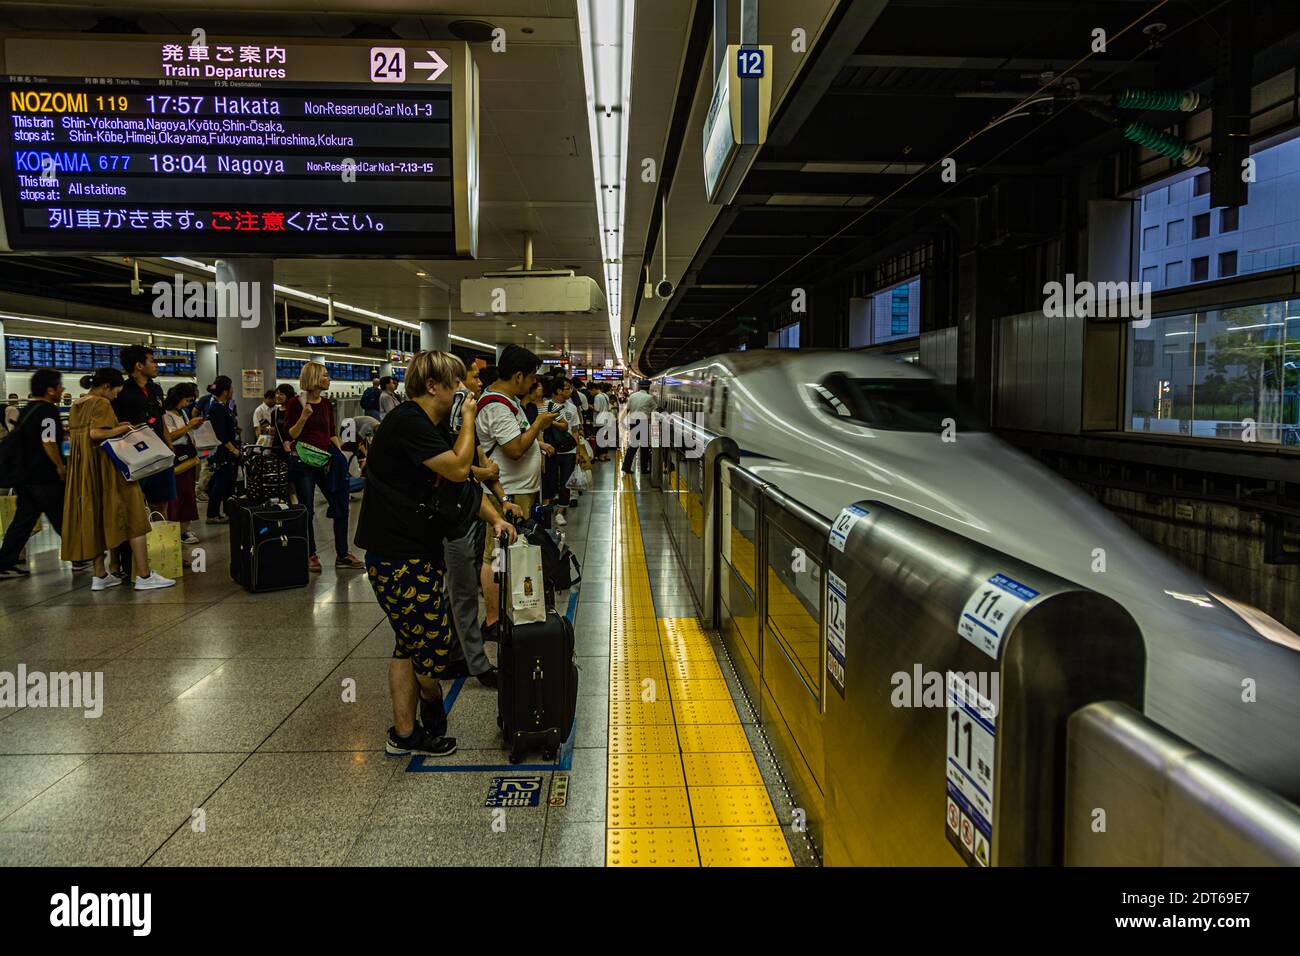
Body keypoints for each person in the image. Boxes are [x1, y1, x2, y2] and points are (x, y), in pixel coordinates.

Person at [355, 350, 517, 756]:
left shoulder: (430, 425)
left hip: (413, 552)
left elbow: (459, 488)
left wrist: (494, 518)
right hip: (397, 556)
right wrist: (467, 420)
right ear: (433, 386)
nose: (464, 390)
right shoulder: (409, 422)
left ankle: (404, 734)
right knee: (431, 648)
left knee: (408, 644)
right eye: (456, 382)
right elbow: (460, 470)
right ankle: (428, 711)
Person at [443, 362, 522, 687]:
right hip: (452, 521)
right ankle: (477, 665)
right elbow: (458, 469)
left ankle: (452, 655)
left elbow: (482, 467)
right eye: (474, 377)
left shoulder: (466, 421)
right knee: (461, 594)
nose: (480, 383)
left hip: (470, 512)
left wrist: (501, 502)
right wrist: (482, 474)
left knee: (455, 594)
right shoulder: (450, 421)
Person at [61, 368, 175, 591]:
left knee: (93, 519)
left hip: (84, 470)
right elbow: (96, 433)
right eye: (115, 392)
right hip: (106, 468)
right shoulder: (100, 403)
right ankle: (144, 575)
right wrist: (122, 428)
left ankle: (100, 576)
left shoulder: (77, 404)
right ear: (106, 387)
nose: (115, 397)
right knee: (135, 515)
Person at [475, 345, 556, 642]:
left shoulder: (508, 401)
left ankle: (508, 609)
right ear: (518, 375)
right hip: (507, 491)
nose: (534, 383)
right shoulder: (496, 406)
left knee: (508, 554)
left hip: (517, 489)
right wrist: (539, 424)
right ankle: (493, 620)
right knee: (495, 555)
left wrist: (539, 443)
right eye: (531, 376)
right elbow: (515, 449)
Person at [284, 361, 365, 572]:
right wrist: (303, 418)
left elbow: (331, 433)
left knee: (340, 504)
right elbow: (290, 435)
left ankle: (342, 553)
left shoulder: (328, 404)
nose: (329, 378)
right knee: (308, 509)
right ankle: (310, 554)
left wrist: (341, 459)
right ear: (314, 378)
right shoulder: (295, 403)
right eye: (325, 375)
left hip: (327, 460)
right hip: (304, 463)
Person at [0, 369, 67, 579]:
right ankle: (81, 555)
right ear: (50, 390)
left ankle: (4, 563)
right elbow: (48, 441)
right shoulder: (47, 411)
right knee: (62, 517)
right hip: (44, 477)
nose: (62, 389)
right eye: (59, 386)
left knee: (23, 521)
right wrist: (60, 466)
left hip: (25, 476)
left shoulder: (28, 409)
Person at [113, 344, 175, 513]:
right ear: (139, 366)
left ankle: (160, 537)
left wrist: (169, 448)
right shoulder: (121, 392)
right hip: (136, 455)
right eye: (152, 361)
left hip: (160, 453)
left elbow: (161, 422)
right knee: (135, 504)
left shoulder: (155, 389)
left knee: (162, 502)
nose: (156, 365)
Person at [163, 383, 204, 545]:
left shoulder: (183, 413)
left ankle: (185, 528)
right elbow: (170, 436)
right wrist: (189, 426)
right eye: (186, 400)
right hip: (177, 455)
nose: (187, 404)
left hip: (188, 454)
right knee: (178, 494)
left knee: (188, 494)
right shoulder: (166, 415)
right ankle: (178, 530)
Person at [542, 375, 581, 527]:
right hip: (551, 449)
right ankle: (549, 507)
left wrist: (577, 452)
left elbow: (575, 430)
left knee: (566, 482)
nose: (570, 391)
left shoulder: (571, 408)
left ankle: (560, 511)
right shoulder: (545, 406)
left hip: (569, 450)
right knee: (550, 480)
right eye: (567, 388)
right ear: (558, 390)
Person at [203, 376, 242, 524]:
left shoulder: (223, 406)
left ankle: (228, 511)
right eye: (231, 388)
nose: (233, 391)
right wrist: (233, 450)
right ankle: (212, 514)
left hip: (227, 451)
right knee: (221, 484)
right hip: (222, 452)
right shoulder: (217, 408)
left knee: (227, 483)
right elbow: (221, 434)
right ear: (225, 391)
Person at [622, 379, 657, 475]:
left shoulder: (632, 396)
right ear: (648, 387)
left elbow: (627, 409)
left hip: (633, 422)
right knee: (644, 446)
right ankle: (644, 468)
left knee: (633, 445)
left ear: (640, 387)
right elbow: (656, 410)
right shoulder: (650, 398)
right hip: (643, 422)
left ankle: (626, 466)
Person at [592, 381, 614, 461]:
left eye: (591, 391)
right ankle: (606, 454)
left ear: (595, 389)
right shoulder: (605, 396)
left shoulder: (597, 397)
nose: (591, 393)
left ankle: (601, 455)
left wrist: (590, 406)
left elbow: (597, 409)